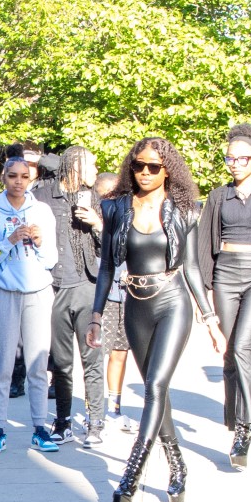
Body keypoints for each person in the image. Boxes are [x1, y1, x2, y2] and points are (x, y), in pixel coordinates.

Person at [89, 138, 216, 502]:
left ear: (168, 171)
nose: (145, 172)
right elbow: (108, 267)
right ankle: (178, 466)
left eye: (153, 167)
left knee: (156, 385)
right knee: (154, 392)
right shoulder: (114, 208)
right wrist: (96, 315)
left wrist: (210, 319)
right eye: (139, 166)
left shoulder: (185, 210)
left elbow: (191, 267)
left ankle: (130, 477)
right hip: (134, 305)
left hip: (173, 302)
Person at [198, 124, 251, 467]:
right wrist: (204, 289)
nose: (233, 163)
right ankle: (235, 416)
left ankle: (244, 429)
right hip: (226, 273)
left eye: (241, 158)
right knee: (230, 354)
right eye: (229, 158)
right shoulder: (219, 196)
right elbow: (206, 243)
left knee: (244, 346)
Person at [0, 157, 59, 454]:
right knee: (2, 365)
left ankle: (39, 427)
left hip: (38, 292)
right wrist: (8, 240)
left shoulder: (42, 211)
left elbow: (51, 260)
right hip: (4, 293)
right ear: (3, 178)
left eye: (25, 176)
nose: (19, 182)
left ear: (32, 179)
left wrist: (38, 241)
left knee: (38, 364)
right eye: (12, 176)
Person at [47, 146, 107, 448]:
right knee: (60, 362)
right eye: (91, 165)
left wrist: (97, 223)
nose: (96, 170)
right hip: (54, 288)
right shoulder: (45, 195)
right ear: (74, 167)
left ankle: (96, 421)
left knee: (92, 358)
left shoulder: (96, 199)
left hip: (87, 285)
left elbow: (110, 246)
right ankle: (63, 421)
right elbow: (37, 164)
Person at [90, 171, 135, 430]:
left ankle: (115, 408)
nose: (113, 200)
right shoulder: (93, 218)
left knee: (120, 352)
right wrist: (97, 224)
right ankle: (94, 409)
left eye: (117, 194)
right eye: (107, 195)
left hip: (127, 293)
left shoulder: (129, 213)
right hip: (104, 294)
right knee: (97, 353)